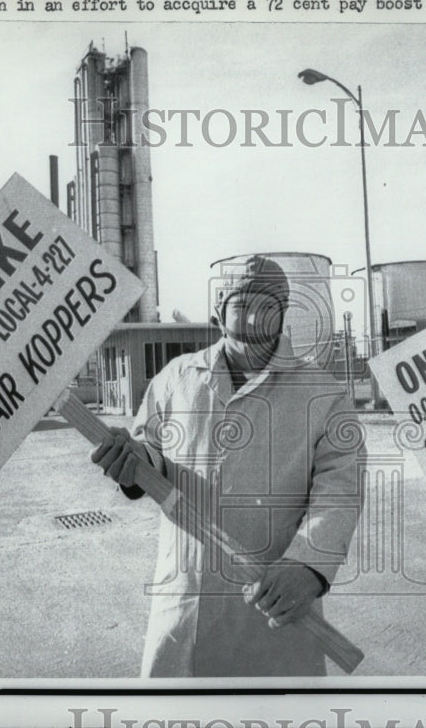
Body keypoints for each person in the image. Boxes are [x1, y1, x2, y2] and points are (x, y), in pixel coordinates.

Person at [91, 256, 365, 677]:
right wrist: (135, 461)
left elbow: (339, 490)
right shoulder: (176, 378)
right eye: (243, 304)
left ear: (285, 314)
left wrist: (308, 565)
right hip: (186, 600)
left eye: (269, 305)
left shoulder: (323, 395)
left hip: (275, 605)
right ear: (220, 312)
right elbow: (151, 450)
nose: (255, 317)